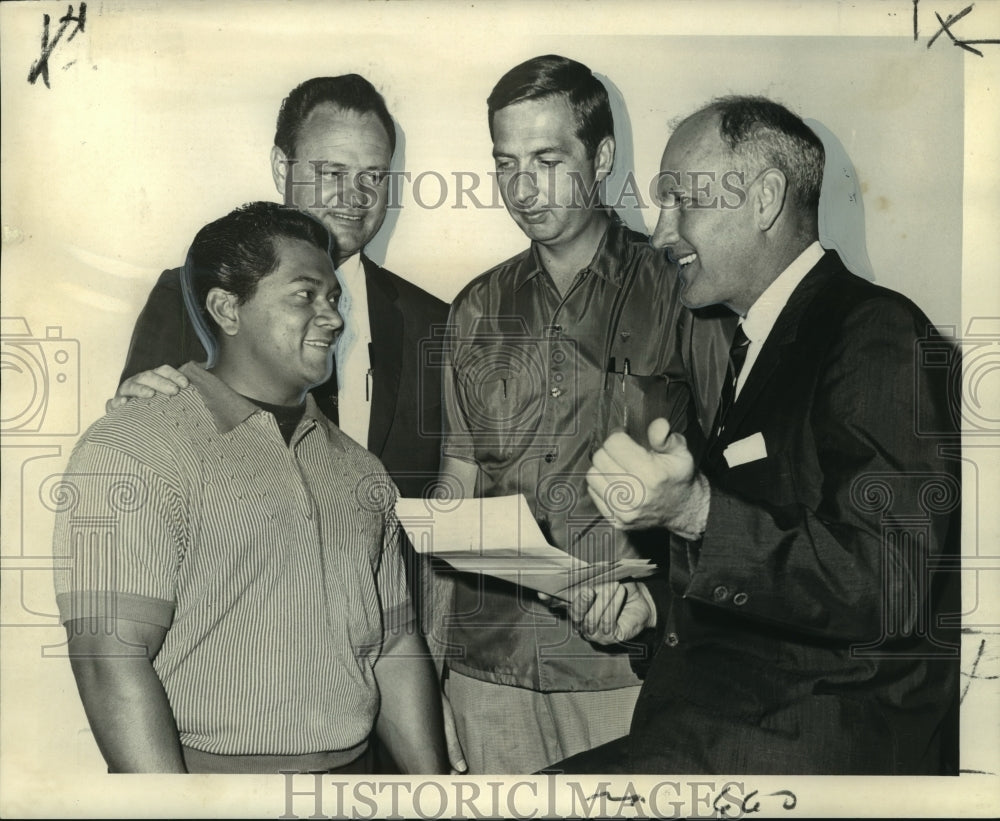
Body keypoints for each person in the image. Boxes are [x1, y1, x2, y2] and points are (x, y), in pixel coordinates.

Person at [551, 96, 961, 774]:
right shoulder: (760, 342)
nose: (661, 232)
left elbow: (886, 582)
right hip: (722, 735)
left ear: (765, 199)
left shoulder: (876, 332)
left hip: (800, 753)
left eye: (682, 200)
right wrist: (650, 608)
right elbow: (783, 555)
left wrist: (695, 511)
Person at [52, 202, 448, 774]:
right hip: (210, 786)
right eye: (304, 295)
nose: (332, 317)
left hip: (356, 780)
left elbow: (393, 645)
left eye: (333, 298)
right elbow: (109, 659)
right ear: (226, 308)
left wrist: (430, 796)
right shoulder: (134, 447)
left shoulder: (360, 471)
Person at [433, 55, 727, 774]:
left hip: (625, 675)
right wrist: (430, 670)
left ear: (599, 157)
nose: (522, 187)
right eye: (505, 162)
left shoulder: (683, 290)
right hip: (486, 675)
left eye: (546, 158)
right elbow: (458, 488)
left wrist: (655, 596)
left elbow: (733, 487)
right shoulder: (475, 307)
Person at [117, 75, 448, 499]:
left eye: (374, 177)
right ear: (281, 168)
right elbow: (141, 462)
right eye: (333, 172)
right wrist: (132, 413)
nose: (356, 196)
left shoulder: (438, 323)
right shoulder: (189, 295)